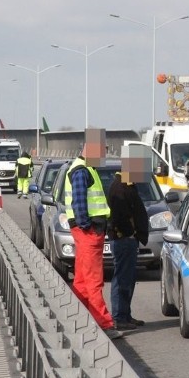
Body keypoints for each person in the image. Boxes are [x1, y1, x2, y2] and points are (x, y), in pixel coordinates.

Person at [65, 129, 123, 339]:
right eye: (103, 150)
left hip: (87, 231)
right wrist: (87, 226)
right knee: (94, 279)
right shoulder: (82, 170)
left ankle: (77, 320)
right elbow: (79, 203)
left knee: (81, 279)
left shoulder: (85, 168)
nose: (105, 155)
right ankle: (104, 324)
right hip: (89, 232)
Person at [107, 145, 151, 330]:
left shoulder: (128, 185)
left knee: (128, 279)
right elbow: (119, 216)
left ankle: (126, 315)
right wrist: (130, 234)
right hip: (124, 240)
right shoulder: (120, 187)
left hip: (129, 240)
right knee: (122, 279)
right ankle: (119, 317)